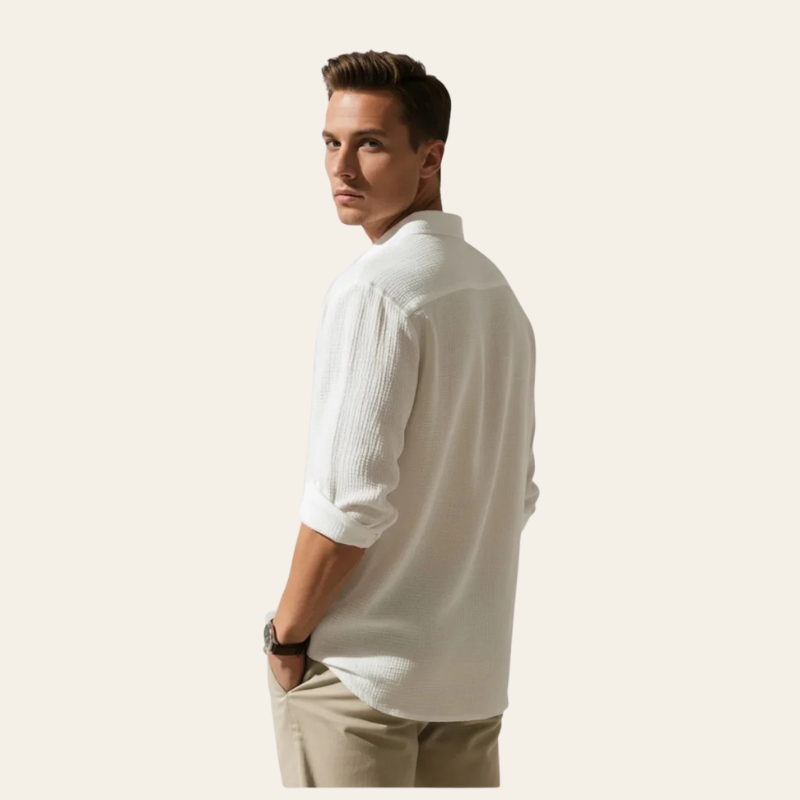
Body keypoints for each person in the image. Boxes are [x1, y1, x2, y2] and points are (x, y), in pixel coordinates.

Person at [263, 49, 539, 788]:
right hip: (470, 681)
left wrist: (284, 637)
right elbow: (516, 494)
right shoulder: (495, 293)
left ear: (430, 158)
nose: (341, 167)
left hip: (359, 683)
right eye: (331, 141)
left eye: (371, 144)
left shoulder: (377, 291)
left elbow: (347, 505)